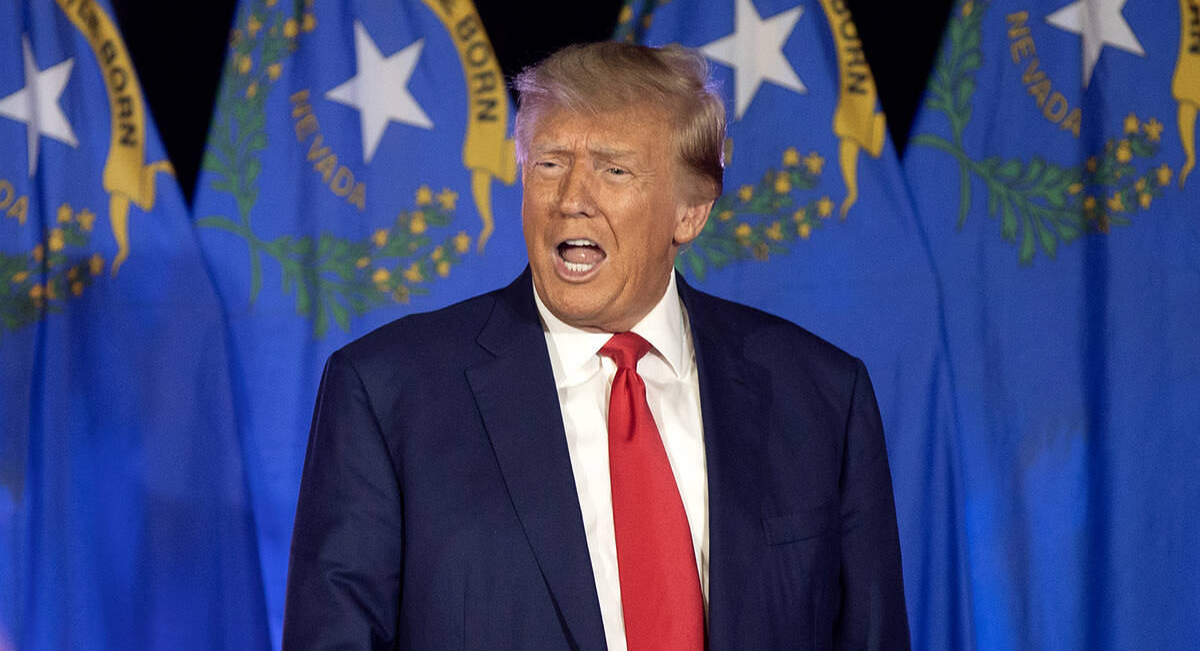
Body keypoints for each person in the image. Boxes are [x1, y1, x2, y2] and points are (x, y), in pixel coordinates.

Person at [282, 42, 910, 651]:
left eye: (614, 169)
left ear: (689, 213)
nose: (572, 200)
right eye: (550, 163)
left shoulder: (821, 395)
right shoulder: (388, 392)